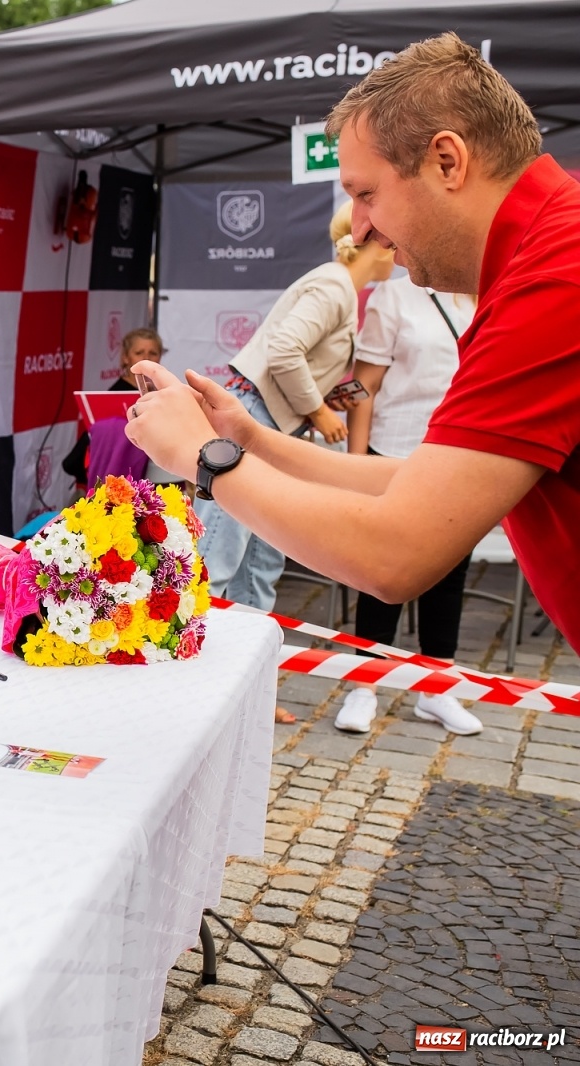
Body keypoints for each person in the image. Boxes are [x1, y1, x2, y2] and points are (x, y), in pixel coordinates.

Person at [124, 33, 580, 652]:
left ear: (448, 161)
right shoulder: (548, 253)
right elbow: (412, 486)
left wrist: (204, 458)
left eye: (367, 194)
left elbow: (394, 554)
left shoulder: (554, 276)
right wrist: (251, 441)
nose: (360, 227)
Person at [191, 200, 396, 616]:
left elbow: (291, 356)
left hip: (269, 421)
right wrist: (318, 410)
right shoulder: (334, 286)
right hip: (255, 418)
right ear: (380, 245)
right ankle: (196, 660)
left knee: (260, 561)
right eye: (395, 241)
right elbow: (284, 350)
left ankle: (249, 663)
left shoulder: (338, 286)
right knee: (218, 555)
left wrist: (317, 405)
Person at [334, 279, 483, 735]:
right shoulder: (394, 296)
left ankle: (437, 689)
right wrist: (355, 467)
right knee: (381, 572)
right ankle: (365, 685)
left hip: (461, 453)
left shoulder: (490, 293)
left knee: (450, 572)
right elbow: (364, 386)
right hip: (394, 450)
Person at [63, 328, 163, 485]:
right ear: (125, 358)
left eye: (152, 353)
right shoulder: (111, 398)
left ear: (160, 358)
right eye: (139, 353)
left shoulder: (162, 395)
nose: (146, 359)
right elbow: (74, 461)